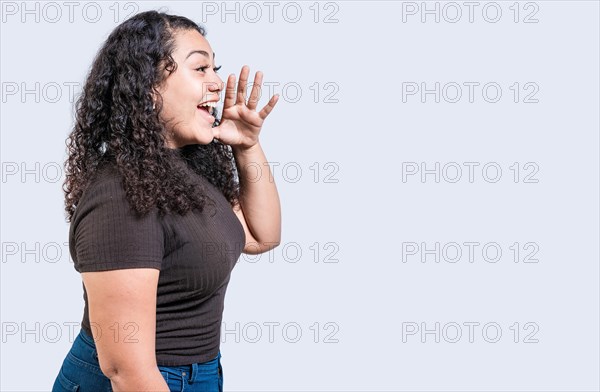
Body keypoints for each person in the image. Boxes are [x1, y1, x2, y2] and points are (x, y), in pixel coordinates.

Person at [52, 9, 281, 392]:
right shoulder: (120, 198)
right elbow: (127, 372)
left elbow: (262, 235)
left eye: (215, 68)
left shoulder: (184, 169)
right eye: (200, 69)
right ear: (149, 84)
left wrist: (247, 145)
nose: (217, 83)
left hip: (197, 374)